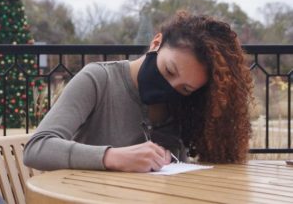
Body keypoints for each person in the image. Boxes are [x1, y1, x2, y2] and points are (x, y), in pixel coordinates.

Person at [23, 11, 254, 172]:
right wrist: (113, 157)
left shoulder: (183, 105)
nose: (170, 87)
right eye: (169, 70)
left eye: (185, 88)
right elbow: (37, 149)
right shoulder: (98, 79)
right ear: (156, 43)